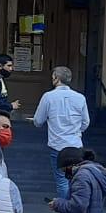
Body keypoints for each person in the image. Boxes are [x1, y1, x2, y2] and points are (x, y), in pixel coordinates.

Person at [33, 66, 90, 203]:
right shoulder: (80, 98)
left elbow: (38, 121)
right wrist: (76, 132)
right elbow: (85, 122)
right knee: (72, 178)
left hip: (57, 147)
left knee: (62, 181)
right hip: (75, 146)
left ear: (55, 78)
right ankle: (74, 210)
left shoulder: (48, 97)